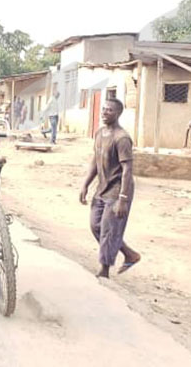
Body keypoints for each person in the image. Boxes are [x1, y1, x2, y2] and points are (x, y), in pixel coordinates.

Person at [79, 99, 141, 278]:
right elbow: (95, 160)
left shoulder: (121, 138)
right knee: (95, 225)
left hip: (118, 189)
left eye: (109, 110)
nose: (105, 112)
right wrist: (85, 184)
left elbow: (128, 170)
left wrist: (123, 198)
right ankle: (130, 254)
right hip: (102, 188)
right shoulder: (100, 133)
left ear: (118, 114)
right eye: (104, 109)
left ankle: (104, 270)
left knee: (108, 228)